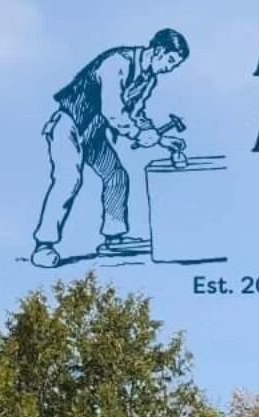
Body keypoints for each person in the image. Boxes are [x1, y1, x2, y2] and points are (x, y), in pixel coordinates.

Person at [31, 28, 191, 268]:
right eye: (170, 61)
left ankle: (113, 237)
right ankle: (44, 245)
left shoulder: (148, 79)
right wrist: (139, 134)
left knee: (116, 177)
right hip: (69, 126)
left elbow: (135, 114)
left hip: (93, 132)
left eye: (175, 65)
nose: (171, 68)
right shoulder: (117, 63)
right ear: (158, 51)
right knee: (68, 180)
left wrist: (162, 140)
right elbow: (113, 111)